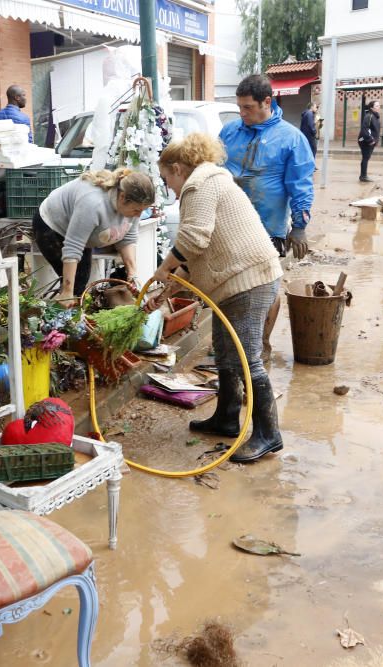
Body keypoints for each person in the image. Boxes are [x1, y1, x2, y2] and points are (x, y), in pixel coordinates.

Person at [147, 133, 284, 463]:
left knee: (245, 358)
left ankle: (268, 434)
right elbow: (199, 258)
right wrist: (167, 288)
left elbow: (194, 238)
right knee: (224, 352)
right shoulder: (208, 182)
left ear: (178, 169)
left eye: (167, 180)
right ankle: (226, 418)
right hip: (236, 281)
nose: (170, 189)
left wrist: (163, 269)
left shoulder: (199, 184)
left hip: (248, 281)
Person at [220, 74, 315, 357]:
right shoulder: (230, 132)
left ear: (267, 102)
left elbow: (300, 185)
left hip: (267, 227)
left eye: (248, 107)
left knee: (266, 287)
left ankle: (261, 343)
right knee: (230, 285)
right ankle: (231, 344)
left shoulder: (292, 139)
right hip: (228, 223)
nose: (242, 113)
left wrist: (299, 227)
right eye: (239, 107)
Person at [33, 168, 154, 302]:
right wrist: (67, 292)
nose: (139, 215)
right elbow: (73, 247)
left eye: (142, 210)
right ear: (122, 197)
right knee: (76, 285)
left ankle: (70, 314)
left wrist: (132, 273)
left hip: (80, 233)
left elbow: (128, 237)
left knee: (81, 281)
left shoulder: (134, 206)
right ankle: (62, 314)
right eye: (137, 210)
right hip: (52, 225)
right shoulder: (93, 203)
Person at [358, 100, 381, 183]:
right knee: (365, 157)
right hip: (365, 141)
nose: (379, 107)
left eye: (379, 106)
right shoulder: (369, 116)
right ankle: (363, 176)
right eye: (377, 106)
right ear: (372, 108)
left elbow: (374, 130)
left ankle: (363, 175)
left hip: (370, 141)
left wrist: (376, 140)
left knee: (366, 158)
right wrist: (371, 140)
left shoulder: (375, 116)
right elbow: (365, 129)